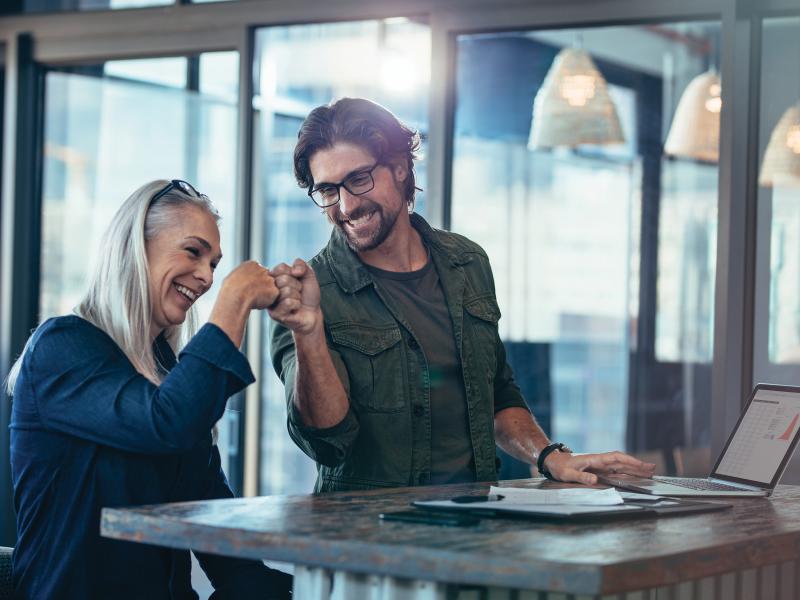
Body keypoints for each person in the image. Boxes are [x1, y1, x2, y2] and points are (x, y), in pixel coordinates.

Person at [268, 97, 656, 493]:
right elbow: (325, 441)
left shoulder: (467, 263)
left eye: (359, 179)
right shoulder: (308, 297)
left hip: (473, 525)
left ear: (401, 168)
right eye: (328, 190)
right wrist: (309, 333)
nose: (347, 205)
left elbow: (495, 393)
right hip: (363, 540)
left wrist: (548, 456)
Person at [7, 180, 292, 599]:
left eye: (215, 264)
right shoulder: (61, 348)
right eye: (193, 252)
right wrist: (234, 299)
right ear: (135, 247)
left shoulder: (168, 374)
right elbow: (166, 423)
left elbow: (214, 519)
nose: (207, 276)